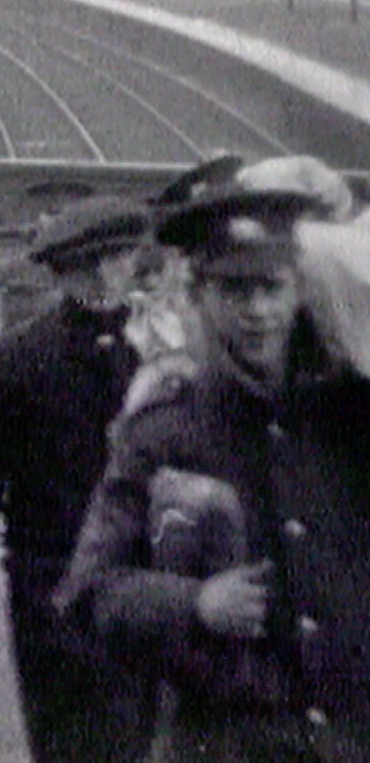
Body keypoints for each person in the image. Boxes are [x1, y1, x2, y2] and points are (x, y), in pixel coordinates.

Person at [57, 185, 370, 762]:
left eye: (271, 287)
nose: (257, 311)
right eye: (234, 289)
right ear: (200, 294)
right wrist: (194, 602)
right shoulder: (164, 428)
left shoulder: (347, 415)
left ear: (299, 290)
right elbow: (90, 591)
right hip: (226, 743)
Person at [0, 195, 160, 763]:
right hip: (64, 594)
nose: (136, 267)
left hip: (104, 591)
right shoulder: (27, 360)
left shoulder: (150, 352)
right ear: (100, 268)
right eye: (126, 257)